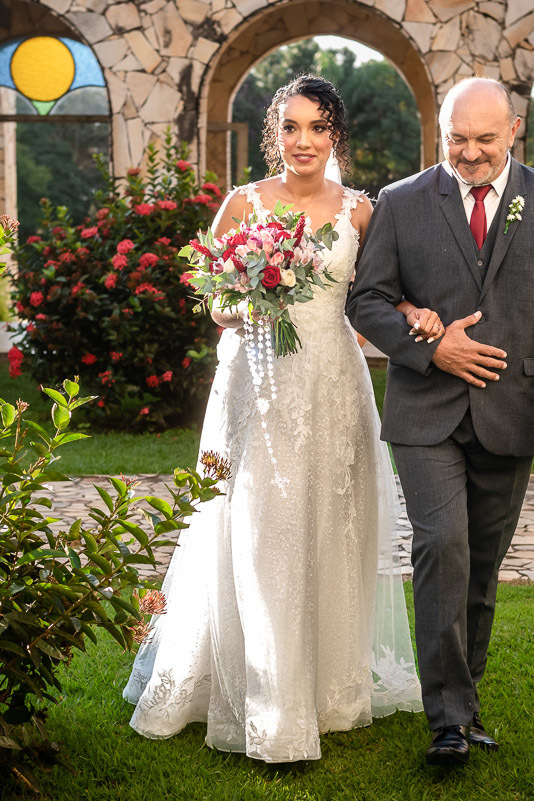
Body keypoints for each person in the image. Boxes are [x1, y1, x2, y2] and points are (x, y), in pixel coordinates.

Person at [123, 75, 430, 763]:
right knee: (258, 528)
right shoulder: (243, 204)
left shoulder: (360, 213)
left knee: (330, 525)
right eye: (290, 127)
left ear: (335, 137)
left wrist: (417, 314)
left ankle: (327, 688)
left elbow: (385, 295)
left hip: (332, 386)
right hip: (256, 383)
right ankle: (266, 700)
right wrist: (244, 303)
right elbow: (212, 302)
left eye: (317, 127)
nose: (303, 141)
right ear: (274, 136)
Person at [346, 77, 534, 767]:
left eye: (485, 139)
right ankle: (448, 720)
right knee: (442, 547)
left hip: (513, 412)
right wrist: (432, 345)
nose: (470, 153)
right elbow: (365, 301)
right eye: (457, 139)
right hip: (424, 413)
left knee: (481, 568)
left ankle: (466, 697)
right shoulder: (401, 202)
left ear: (516, 131)